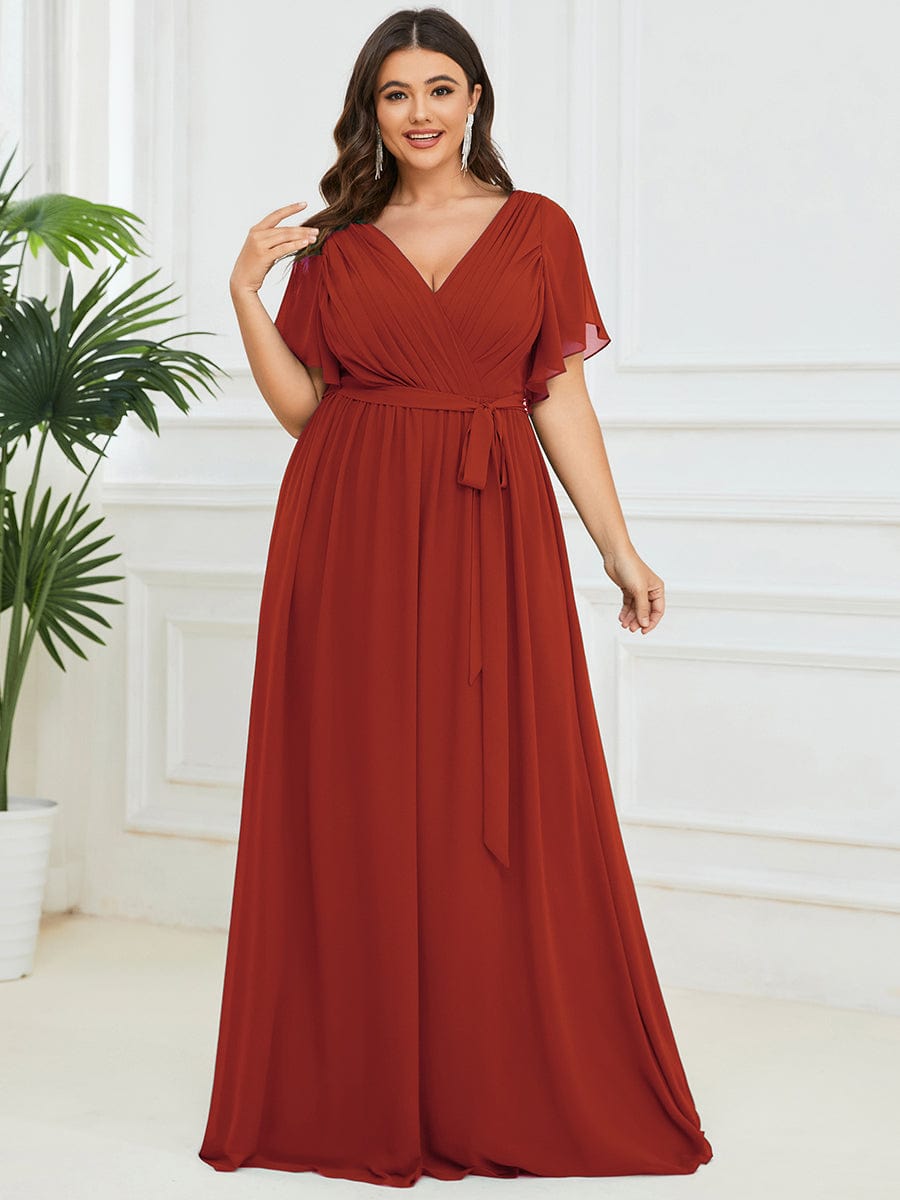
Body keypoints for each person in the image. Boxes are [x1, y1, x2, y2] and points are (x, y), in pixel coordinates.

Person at [198, 6, 712, 1188]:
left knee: (494, 785)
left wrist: (618, 549)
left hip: (492, 528)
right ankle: (361, 1078)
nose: (419, 112)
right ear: (370, 111)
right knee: (365, 787)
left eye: (440, 88)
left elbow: (558, 395)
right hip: (349, 527)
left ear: (475, 98)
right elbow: (306, 412)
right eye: (396, 93)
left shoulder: (536, 228)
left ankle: (491, 1071)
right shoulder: (336, 244)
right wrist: (244, 293)